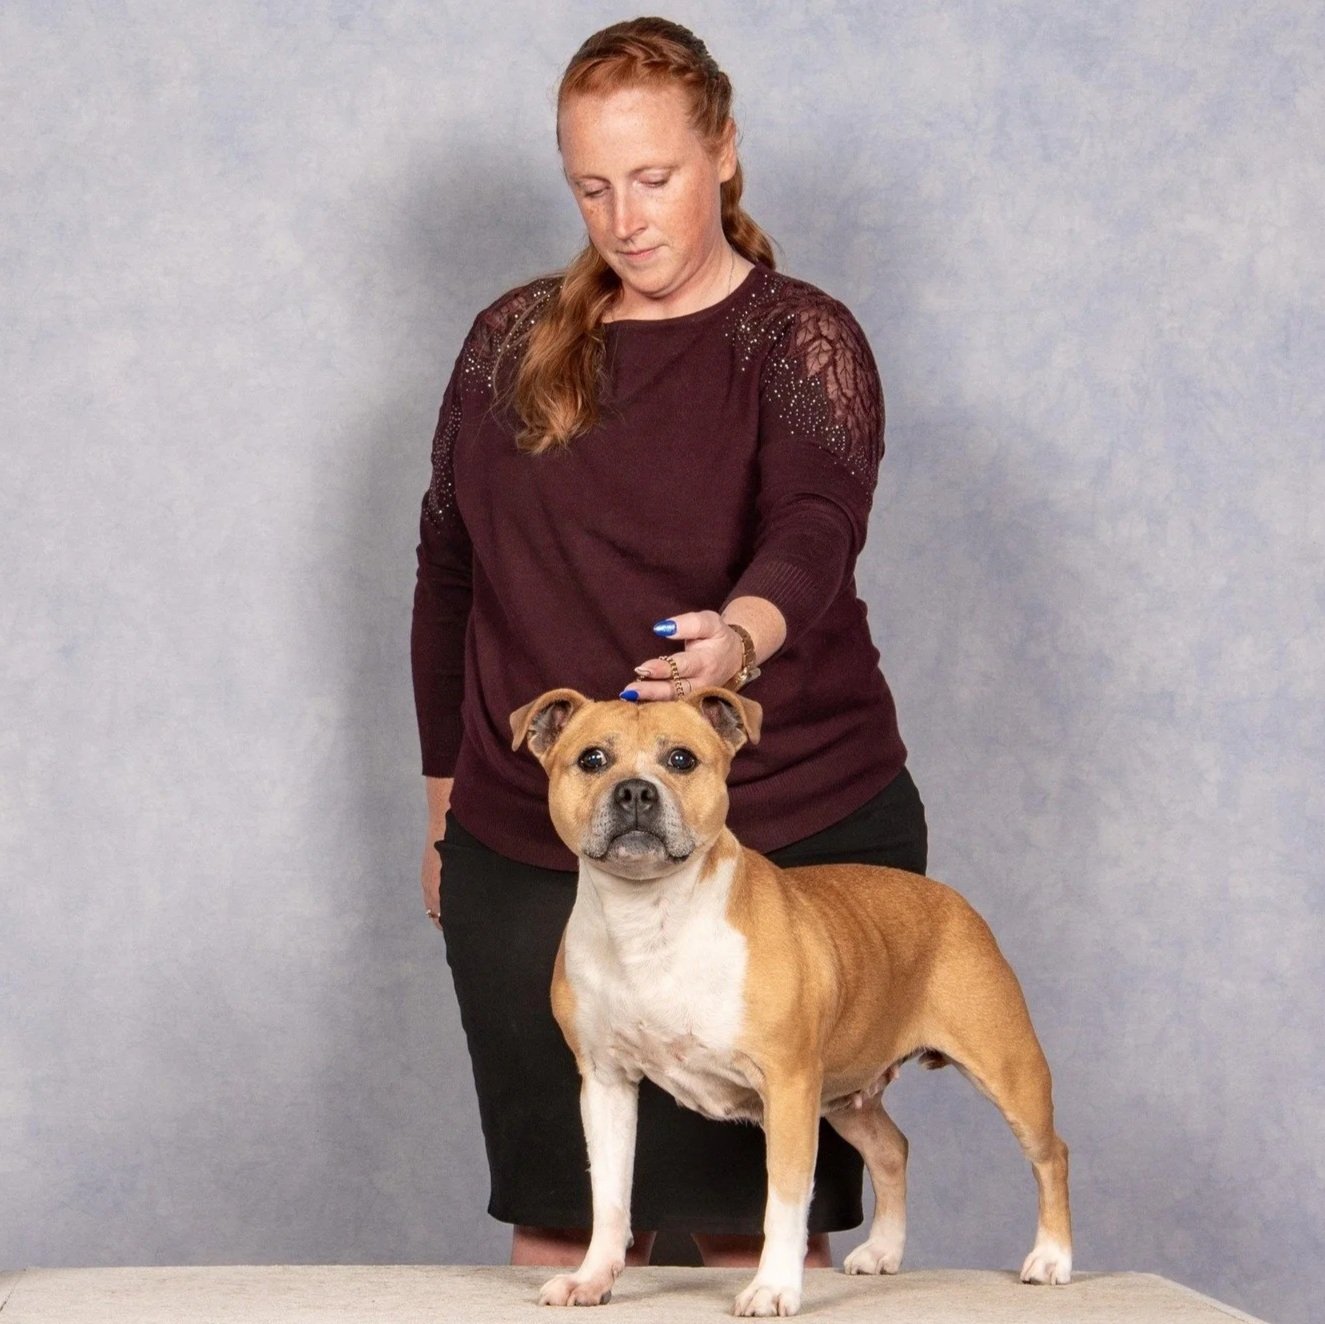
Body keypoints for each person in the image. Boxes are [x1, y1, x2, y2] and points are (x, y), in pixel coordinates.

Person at [410, 16, 927, 1271]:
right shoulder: (508, 339)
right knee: (565, 1233)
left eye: (654, 178)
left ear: (724, 153)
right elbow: (447, 571)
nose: (624, 219)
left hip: (782, 837)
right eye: (591, 186)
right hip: (534, 846)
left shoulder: (798, 339)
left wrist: (739, 637)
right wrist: (445, 807)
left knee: (753, 1246)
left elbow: (816, 522)